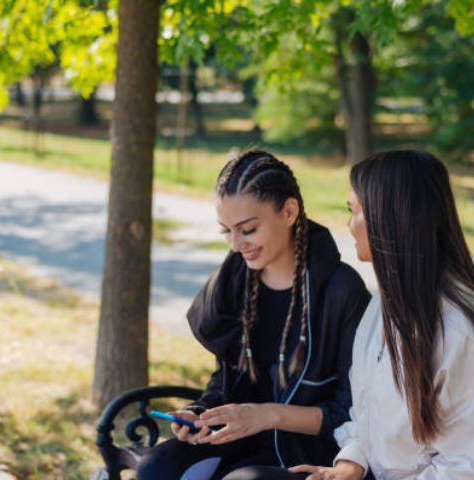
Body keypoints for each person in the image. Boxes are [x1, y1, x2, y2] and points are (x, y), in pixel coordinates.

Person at [288, 150, 474, 480]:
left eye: (354, 211)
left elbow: (465, 468)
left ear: (389, 219)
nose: (349, 224)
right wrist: (350, 464)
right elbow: (366, 413)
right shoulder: (386, 307)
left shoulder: (457, 330)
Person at [135, 149, 371, 480]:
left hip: (310, 452)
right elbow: (227, 377)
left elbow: (349, 414)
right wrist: (198, 413)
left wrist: (267, 416)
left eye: (247, 229)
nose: (236, 244)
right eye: (226, 231)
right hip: (239, 440)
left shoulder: (341, 291)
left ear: (289, 211)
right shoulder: (236, 279)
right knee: (156, 467)